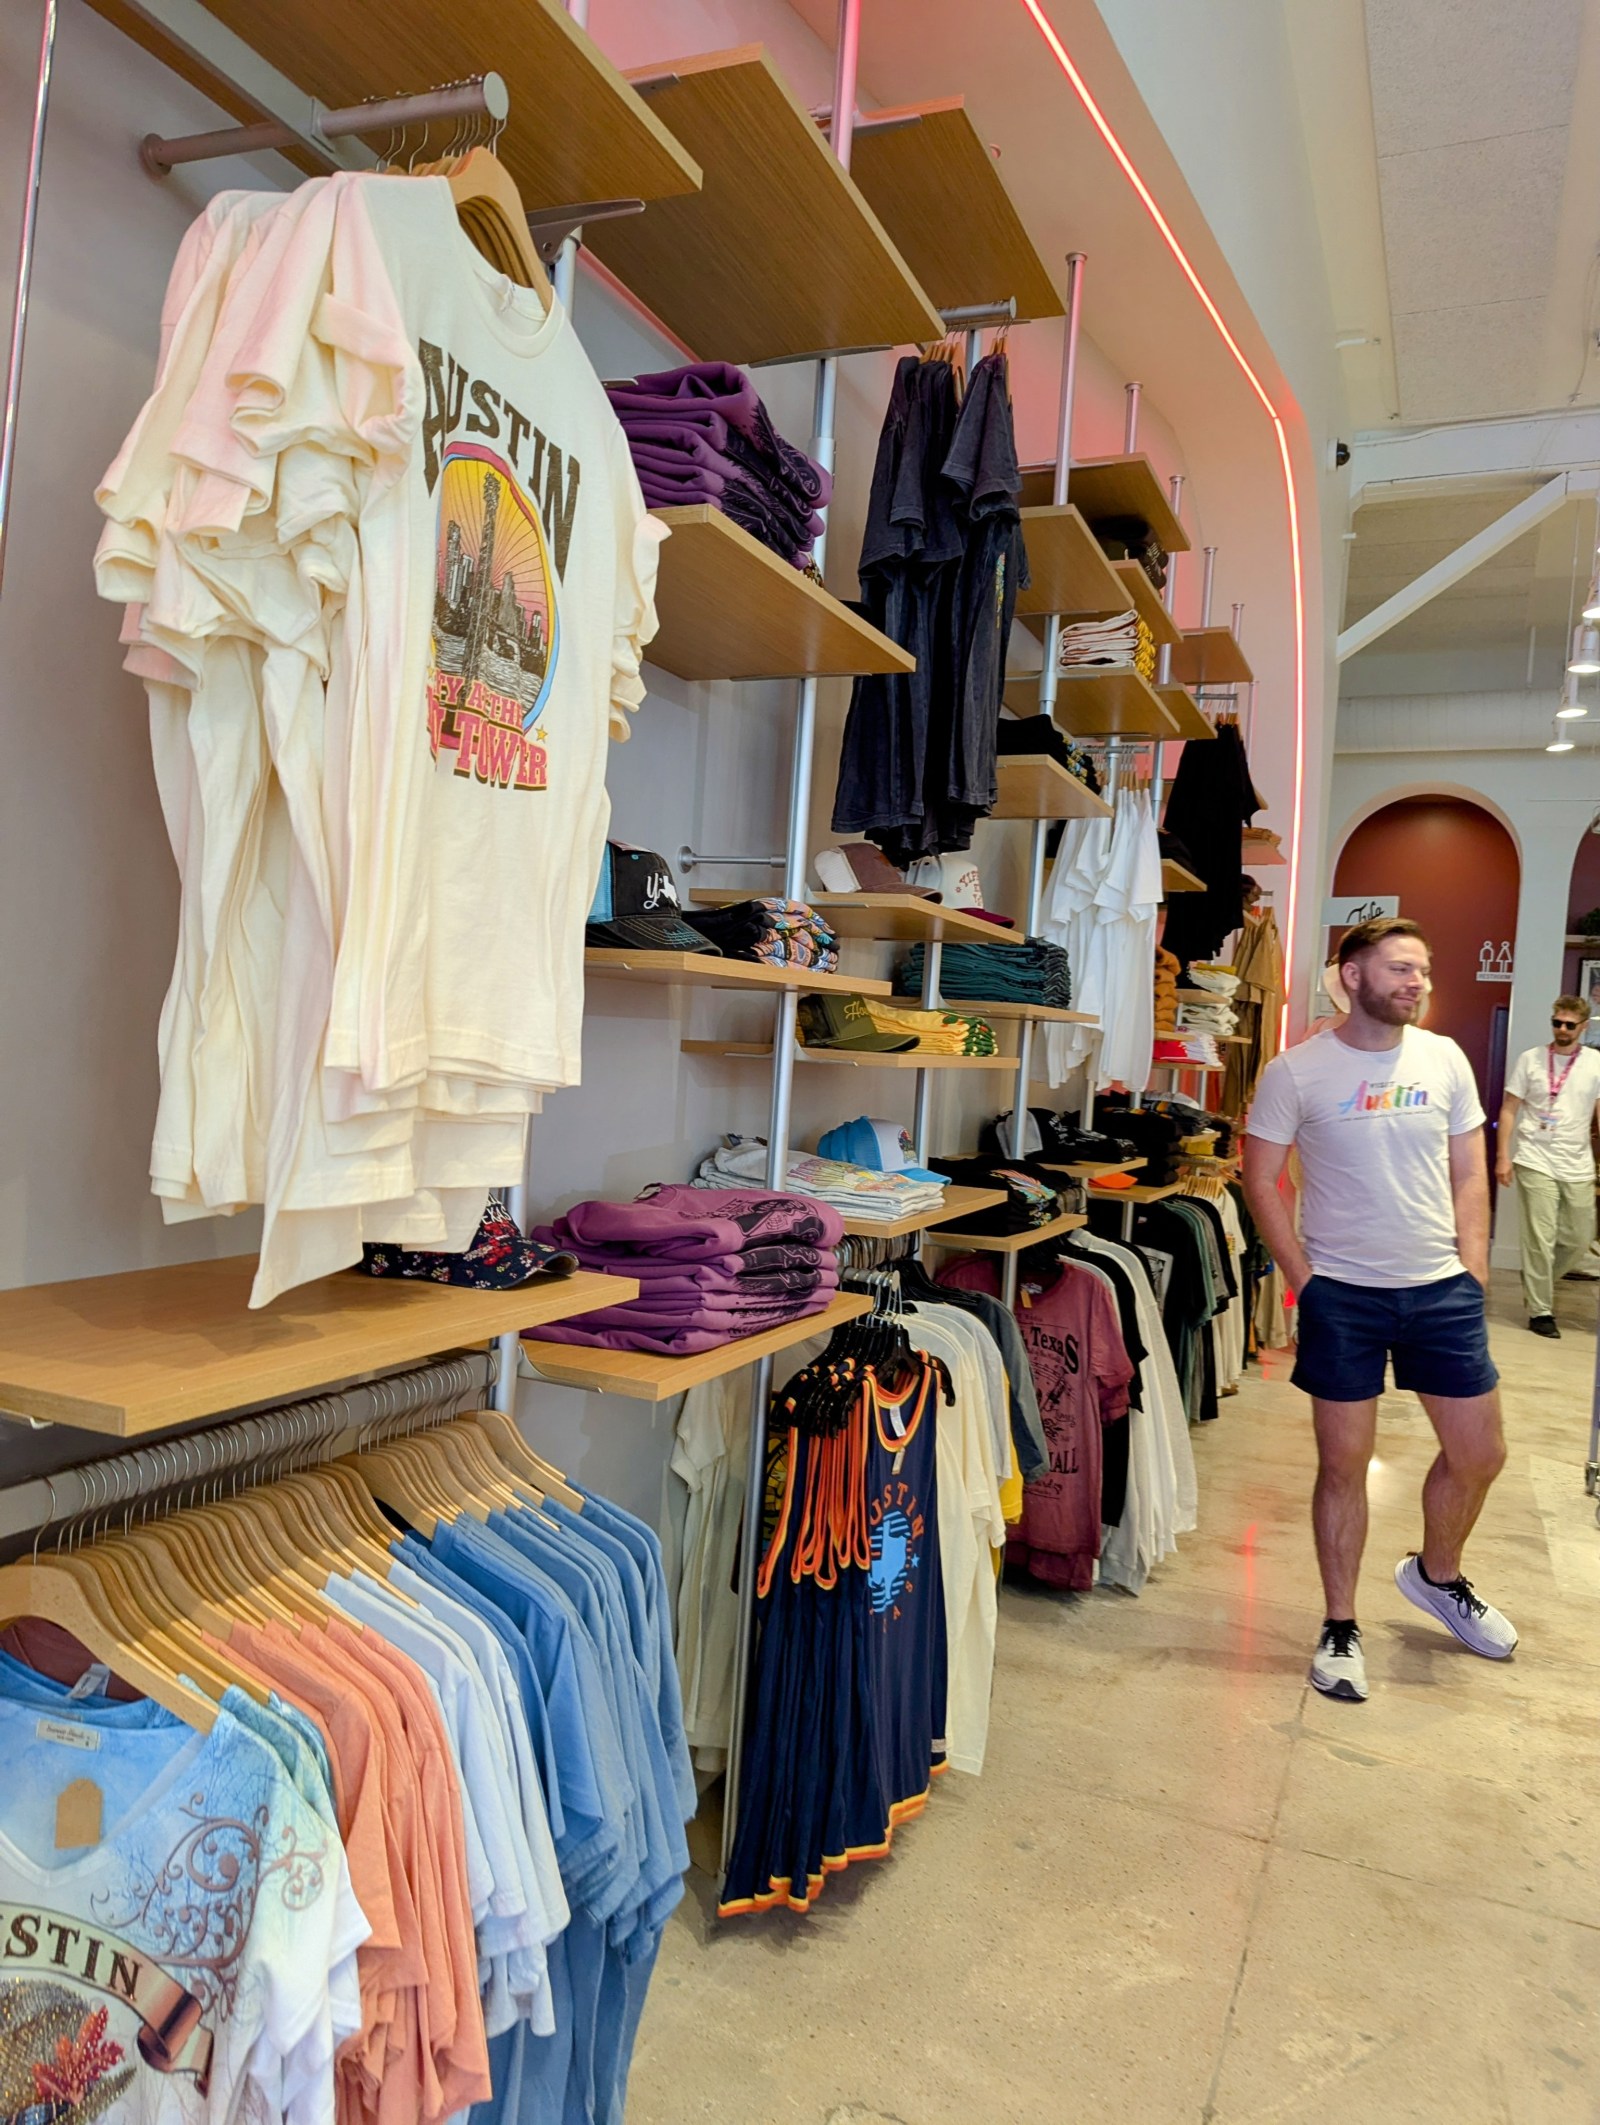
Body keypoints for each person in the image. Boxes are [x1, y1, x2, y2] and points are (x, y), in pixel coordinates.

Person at [1241, 916, 1516, 1705]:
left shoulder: (1445, 1058)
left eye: (1423, 969)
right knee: (1342, 1464)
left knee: (1479, 1453)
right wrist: (1305, 1280)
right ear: (1351, 975)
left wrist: (1472, 1267)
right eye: (1399, 968)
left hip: (1440, 1290)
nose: (1417, 981)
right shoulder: (1296, 1072)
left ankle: (1436, 1576)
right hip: (1345, 1296)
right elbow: (1262, 1178)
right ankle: (1339, 1625)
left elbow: (1470, 1170)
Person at [1495, 993, 1600, 1337]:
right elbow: (1509, 1108)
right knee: (1540, 1238)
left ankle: (1537, 1280)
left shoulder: (1595, 1064)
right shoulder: (1531, 1060)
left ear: (1583, 1027)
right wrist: (1502, 1155)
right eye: (1557, 1022)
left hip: (1578, 1162)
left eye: (1570, 1025)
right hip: (1534, 1158)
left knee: (1579, 1237)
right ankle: (1541, 1309)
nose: (1563, 1029)